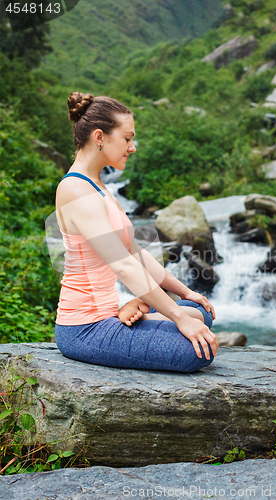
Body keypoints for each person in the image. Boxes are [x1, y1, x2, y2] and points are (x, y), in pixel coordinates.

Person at [54, 91, 218, 373]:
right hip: (85, 328)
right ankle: (134, 312)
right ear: (100, 137)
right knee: (197, 352)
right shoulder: (76, 190)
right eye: (127, 138)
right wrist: (179, 317)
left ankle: (133, 309)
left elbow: (135, 251)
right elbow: (124, 265)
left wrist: (186, 292)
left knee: (201, 312)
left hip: (106, 316)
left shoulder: (98, 185)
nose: (132, 147)